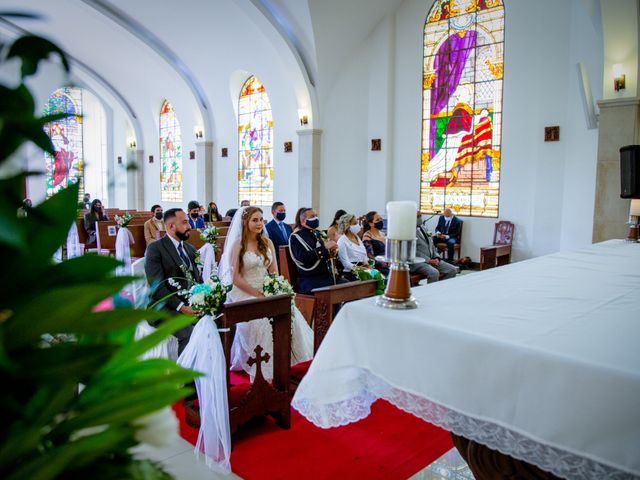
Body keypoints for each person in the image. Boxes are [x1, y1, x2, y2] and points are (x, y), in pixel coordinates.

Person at [218, 206, 313, 380]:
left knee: (290, 311)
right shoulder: (238, 244)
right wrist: (258, 295)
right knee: (260, 321)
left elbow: (274, 273)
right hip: (244, 291)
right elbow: (236, 278)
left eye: (261, 219)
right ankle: (266, 365)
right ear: (245, 222)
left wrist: (277, 289)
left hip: (266, 288)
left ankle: (290, 360)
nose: (259, 223)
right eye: (255, 220)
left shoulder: (267, 242)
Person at [144, 208, 202, 354]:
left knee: (220, 322)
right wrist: (182, 307)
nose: (189, 226)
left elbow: (198, 280)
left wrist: (205, 301)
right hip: (163, 307)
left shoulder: (190, 249)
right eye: (184, 222)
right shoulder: (155, 249)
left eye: (188, 222)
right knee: (188, 333)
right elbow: (157, 287)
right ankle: (186, 377)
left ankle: (211, 371)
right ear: (171, 227)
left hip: (190, 303)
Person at [288, 208, 341, 293]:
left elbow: (328, 257)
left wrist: (333, 249)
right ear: (303, 221)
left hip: (327, 277)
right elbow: (303, 258)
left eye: (316, 216)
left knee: (350, 286)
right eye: (312, 216)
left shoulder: (319, 234)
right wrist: (325, 248)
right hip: (311, 280)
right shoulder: (296, 237)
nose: (316, 218)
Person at [412, 212, 457, 284]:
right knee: (434, 273)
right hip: (418, 262)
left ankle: (441, 290)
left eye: (420, 216)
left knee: (452, 270)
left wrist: (436, 257)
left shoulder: (423, 227)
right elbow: (413, 251)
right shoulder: (409, 231)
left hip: (432, 259)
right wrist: (429, 260)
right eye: (418, 216)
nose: (420, 218)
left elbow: (432, 244)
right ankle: (430, 293)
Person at [336, 213, 370, 278]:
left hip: (362, 268)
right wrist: (360, 269)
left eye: (357, 223)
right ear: (347, 226)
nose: (358, 226)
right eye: (355, 224)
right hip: (350, 272)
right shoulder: (342, 241)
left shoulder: (356, 237)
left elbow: (363, 254)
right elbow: (346, 263)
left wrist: (367, 264)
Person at [264, 201, 292, 270]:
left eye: (284, 211)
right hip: (277, 261)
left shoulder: (288, 227)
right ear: (273, 212)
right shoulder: (268, 227)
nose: (283, 213)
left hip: (290, 260)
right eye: (281, 211)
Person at [362, 211, 390, 276]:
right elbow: (370, 257)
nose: (380, 221)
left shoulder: (383, 234)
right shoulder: (367, 236)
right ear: (371, 223)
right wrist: (385, 263)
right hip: (378, 267)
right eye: (377, 220)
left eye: (381, 219)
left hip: (388, 265)